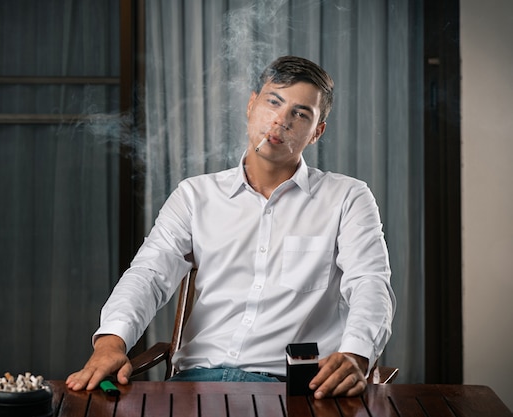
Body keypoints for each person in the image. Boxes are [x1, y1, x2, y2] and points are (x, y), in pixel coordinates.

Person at [66, 56, 395, 399]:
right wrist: (110, 342)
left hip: (292, 392)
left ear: (317, 132)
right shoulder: (195, 195)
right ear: (251, 105)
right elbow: (150, 273)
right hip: (194, 385)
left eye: (301, 114)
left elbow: (370, 283)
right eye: (273, 102)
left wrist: (356, 355)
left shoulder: (347, 197)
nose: (280, 121)